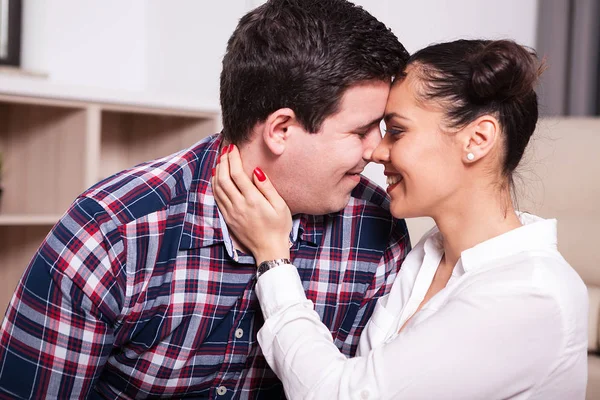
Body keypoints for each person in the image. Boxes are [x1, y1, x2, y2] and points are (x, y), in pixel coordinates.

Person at [0, 1, 411, 399]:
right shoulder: (113, 232)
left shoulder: (376, 229)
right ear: (281, 129)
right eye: (361, 132)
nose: (377, 151)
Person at [212, 39, 589, 399]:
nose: (377, 151)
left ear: (477, 140)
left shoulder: (531, 294)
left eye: (397, 131)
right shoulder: (430, 253)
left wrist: (273, 256)